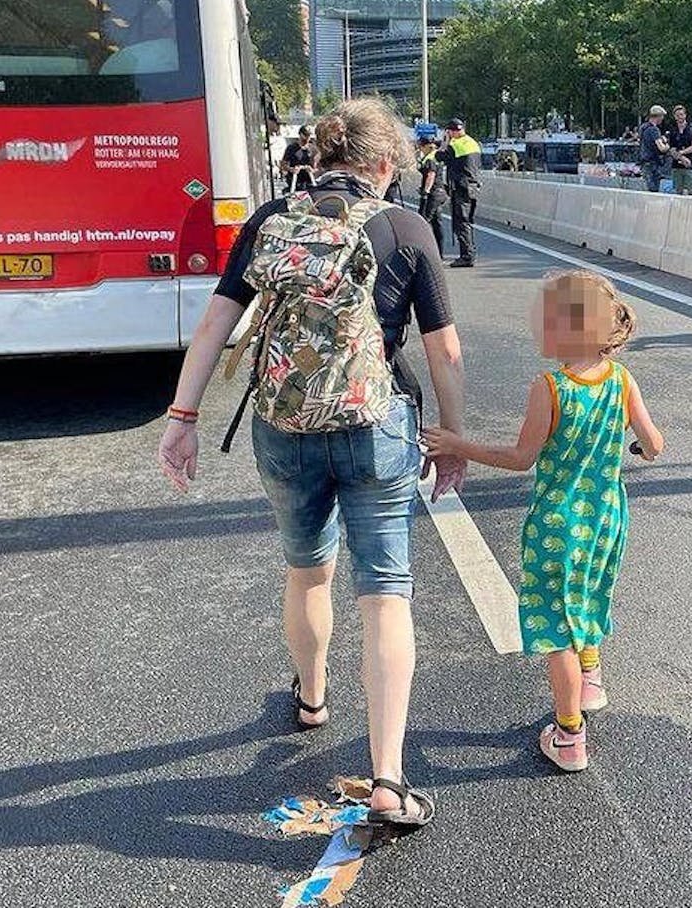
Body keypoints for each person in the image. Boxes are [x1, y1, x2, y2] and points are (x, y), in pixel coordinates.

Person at [156, 97, 467, 829]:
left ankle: (312, 695)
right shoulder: (405, 227)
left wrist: (183, 417)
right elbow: (443, 349)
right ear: (385, 164)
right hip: (376, 425)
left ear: (319, 158)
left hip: (284, 427)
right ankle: (388, 778)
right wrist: (452, 437)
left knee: (308, 569)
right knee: (386, 590)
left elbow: (214, 323)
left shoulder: (271, 221)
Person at [421, 271, 664, 772]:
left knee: (555, 626)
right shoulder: (621, 379)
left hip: (557, 522)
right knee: (589, 596)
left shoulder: (551, 388)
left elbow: (520, 458)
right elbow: (655, 446)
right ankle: (592, 678)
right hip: (606, 516)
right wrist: (631, 447)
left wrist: (456, 444)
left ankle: (570, 734)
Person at [437, 117, 481, 268]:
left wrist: (445, 142)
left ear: (451, 131)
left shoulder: (455, 145)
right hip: (473, 187)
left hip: (461, 188)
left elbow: (439, 156)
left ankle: (467, 256)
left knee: (461, 223)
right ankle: (470, 253)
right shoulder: (473, 143)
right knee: (467, 222)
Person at [416, 135, 447, 256]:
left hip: (433, 193)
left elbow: (431, 175)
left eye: (420, 146)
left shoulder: (430, 158)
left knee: (423, 221)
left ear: (425, 146)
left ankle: (424, 251)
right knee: (437, 223)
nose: (420, 149)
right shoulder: (436, 155)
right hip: (440, 192)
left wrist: (426, 190)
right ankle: (439, 252)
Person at [667, 104, 692, 195]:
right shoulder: (673, 130)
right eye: (677, 115)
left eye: (681, 114)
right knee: (678, 191)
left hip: (690, 164)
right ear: (674, 117)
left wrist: (681, 152)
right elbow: (672, 149)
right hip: (677, 165)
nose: (680, 117)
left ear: (685, 115)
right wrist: (682, 157)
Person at [638, 104, 672, 193]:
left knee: (648, 189)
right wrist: (668, 145)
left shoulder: (643, 127)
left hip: (644, 162)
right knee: (654, 191)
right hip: (652, 164)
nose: (662, 119)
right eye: (662, 116)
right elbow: (661, 148)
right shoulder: (654, 130)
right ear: (658, 116)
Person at [280, 124, 314, 193]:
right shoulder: (291, 148)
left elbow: (318, 167)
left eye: (309, 135)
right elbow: (283, 165)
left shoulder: (313, 148)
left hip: (309, 182)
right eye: (305, 135)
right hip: (294, 183)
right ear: (300, 134)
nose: (307, 138)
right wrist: (292, 169)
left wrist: (311, 170)